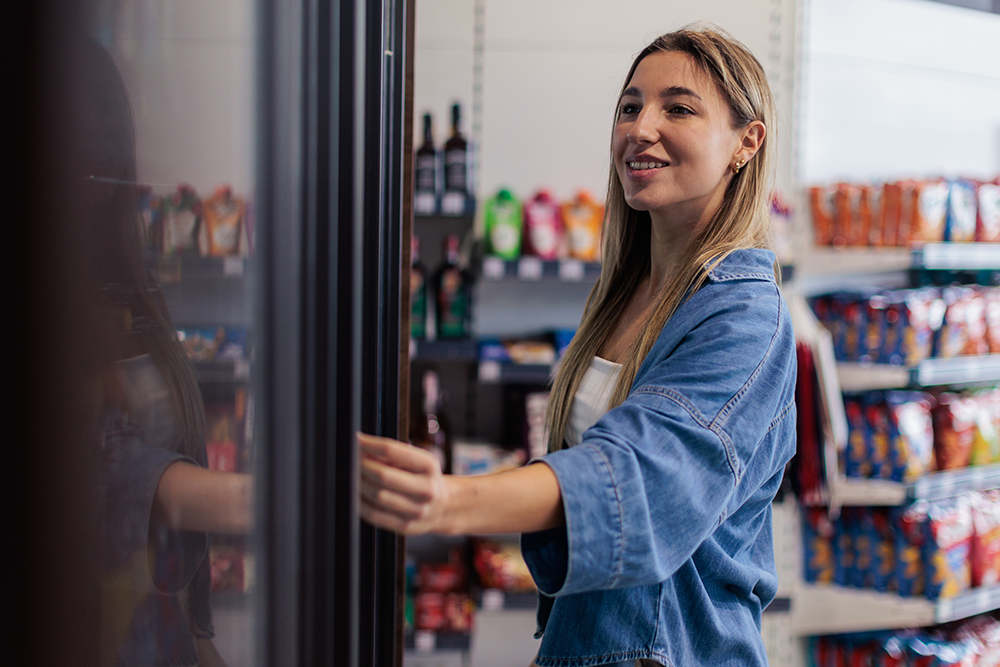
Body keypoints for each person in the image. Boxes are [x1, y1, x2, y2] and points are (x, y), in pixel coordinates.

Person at [360, 25, 796, 667]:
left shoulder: (745, 316)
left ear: (745, 142)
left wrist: (447, 501)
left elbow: (643, 475)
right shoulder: (626, 293)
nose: (640, 128)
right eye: (629, 107)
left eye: (677, 108)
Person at [78, 38, 252, 667]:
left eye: (106, 110)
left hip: (159, 632)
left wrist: (200, 636)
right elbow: (128, 477)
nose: (95, 131)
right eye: (77, 114)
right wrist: (279, 496)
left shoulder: (130, 289)